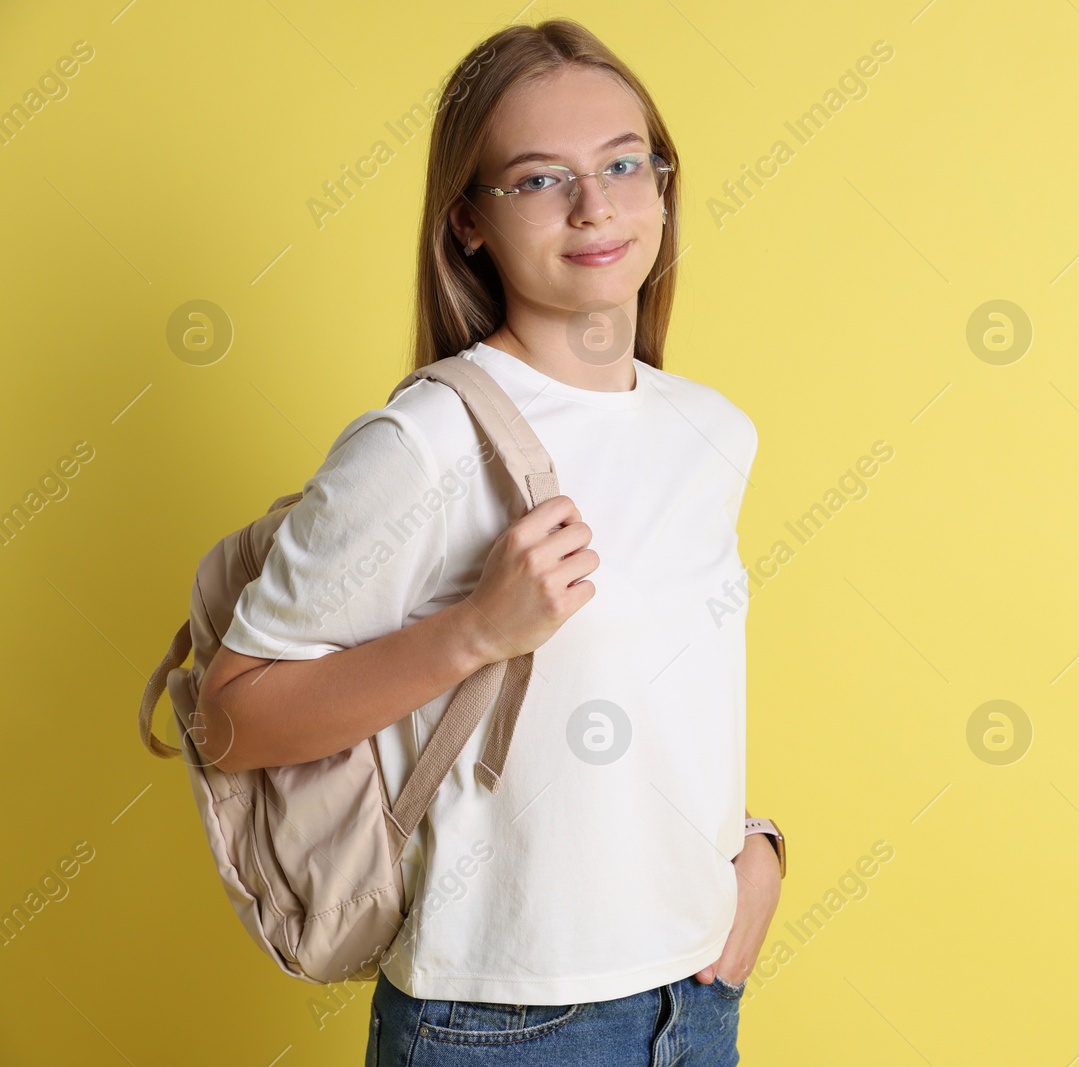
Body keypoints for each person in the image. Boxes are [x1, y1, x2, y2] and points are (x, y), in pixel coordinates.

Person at [195, 18, 784, 1065]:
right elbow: (232, 719)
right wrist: (473, 631)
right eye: (540, 179)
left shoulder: (710, 428)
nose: (595, 204)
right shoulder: (420, 443)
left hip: (696, 995)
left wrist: (750, 844)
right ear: (468, 221)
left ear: (661, 183)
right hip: (502, 1022)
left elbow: (660, 691)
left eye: (622, 163)